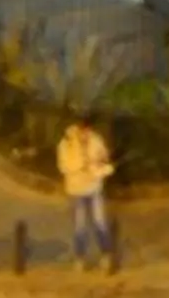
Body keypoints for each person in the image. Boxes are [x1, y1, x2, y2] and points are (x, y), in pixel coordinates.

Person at [56, 114, 114, 270]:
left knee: (99, 222)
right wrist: (80, 165)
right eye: (82, 131)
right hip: (76, 190)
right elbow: (63, 166)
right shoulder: (66, 143)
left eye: (87, 130)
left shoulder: (96, 140)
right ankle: (80, 258)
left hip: (94, 187)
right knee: (80, 226)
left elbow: (104, 158)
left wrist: (102, 168)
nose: (85, 134)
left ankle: (106, 255)